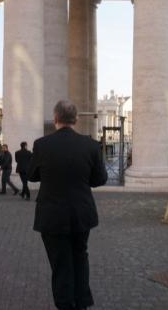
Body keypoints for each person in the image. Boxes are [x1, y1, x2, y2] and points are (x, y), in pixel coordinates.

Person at [28, 100, 107, 310]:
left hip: (52, 215)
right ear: (76, 119)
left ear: (55, 119)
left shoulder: (41, 145)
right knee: (80, 256)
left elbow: (32, 176)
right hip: (82, 213)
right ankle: (82, 302)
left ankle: (65, 305)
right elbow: (100, 179)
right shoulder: (90, 145)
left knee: (60, 264)